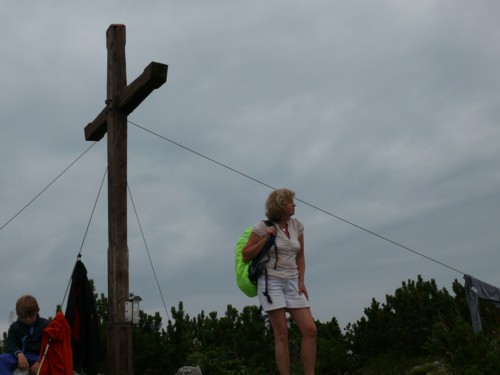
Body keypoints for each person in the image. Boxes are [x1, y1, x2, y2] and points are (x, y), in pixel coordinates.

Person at [242, 188, 317, 375]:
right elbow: (245, 255)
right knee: (282, 333)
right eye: (290, 201)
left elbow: (300, 256)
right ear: (280, 205)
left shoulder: (297, 225)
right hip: (271, 283)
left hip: (292, 282)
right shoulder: (262, 226)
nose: (294, 204)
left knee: (310, 330)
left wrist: (302, 282)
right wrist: (266, 238)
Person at [0, 295, 49, 375]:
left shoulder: (46, 325)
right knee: (2, 359)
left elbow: (50, 347)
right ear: (18, 315)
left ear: (37, 310)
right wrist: (19, 354)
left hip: (38, 357)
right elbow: (11, 345)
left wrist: (40, 361)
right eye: (24, 317)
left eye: (31, 316)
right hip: (19, 357)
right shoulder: (15, 327)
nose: (28, 319)